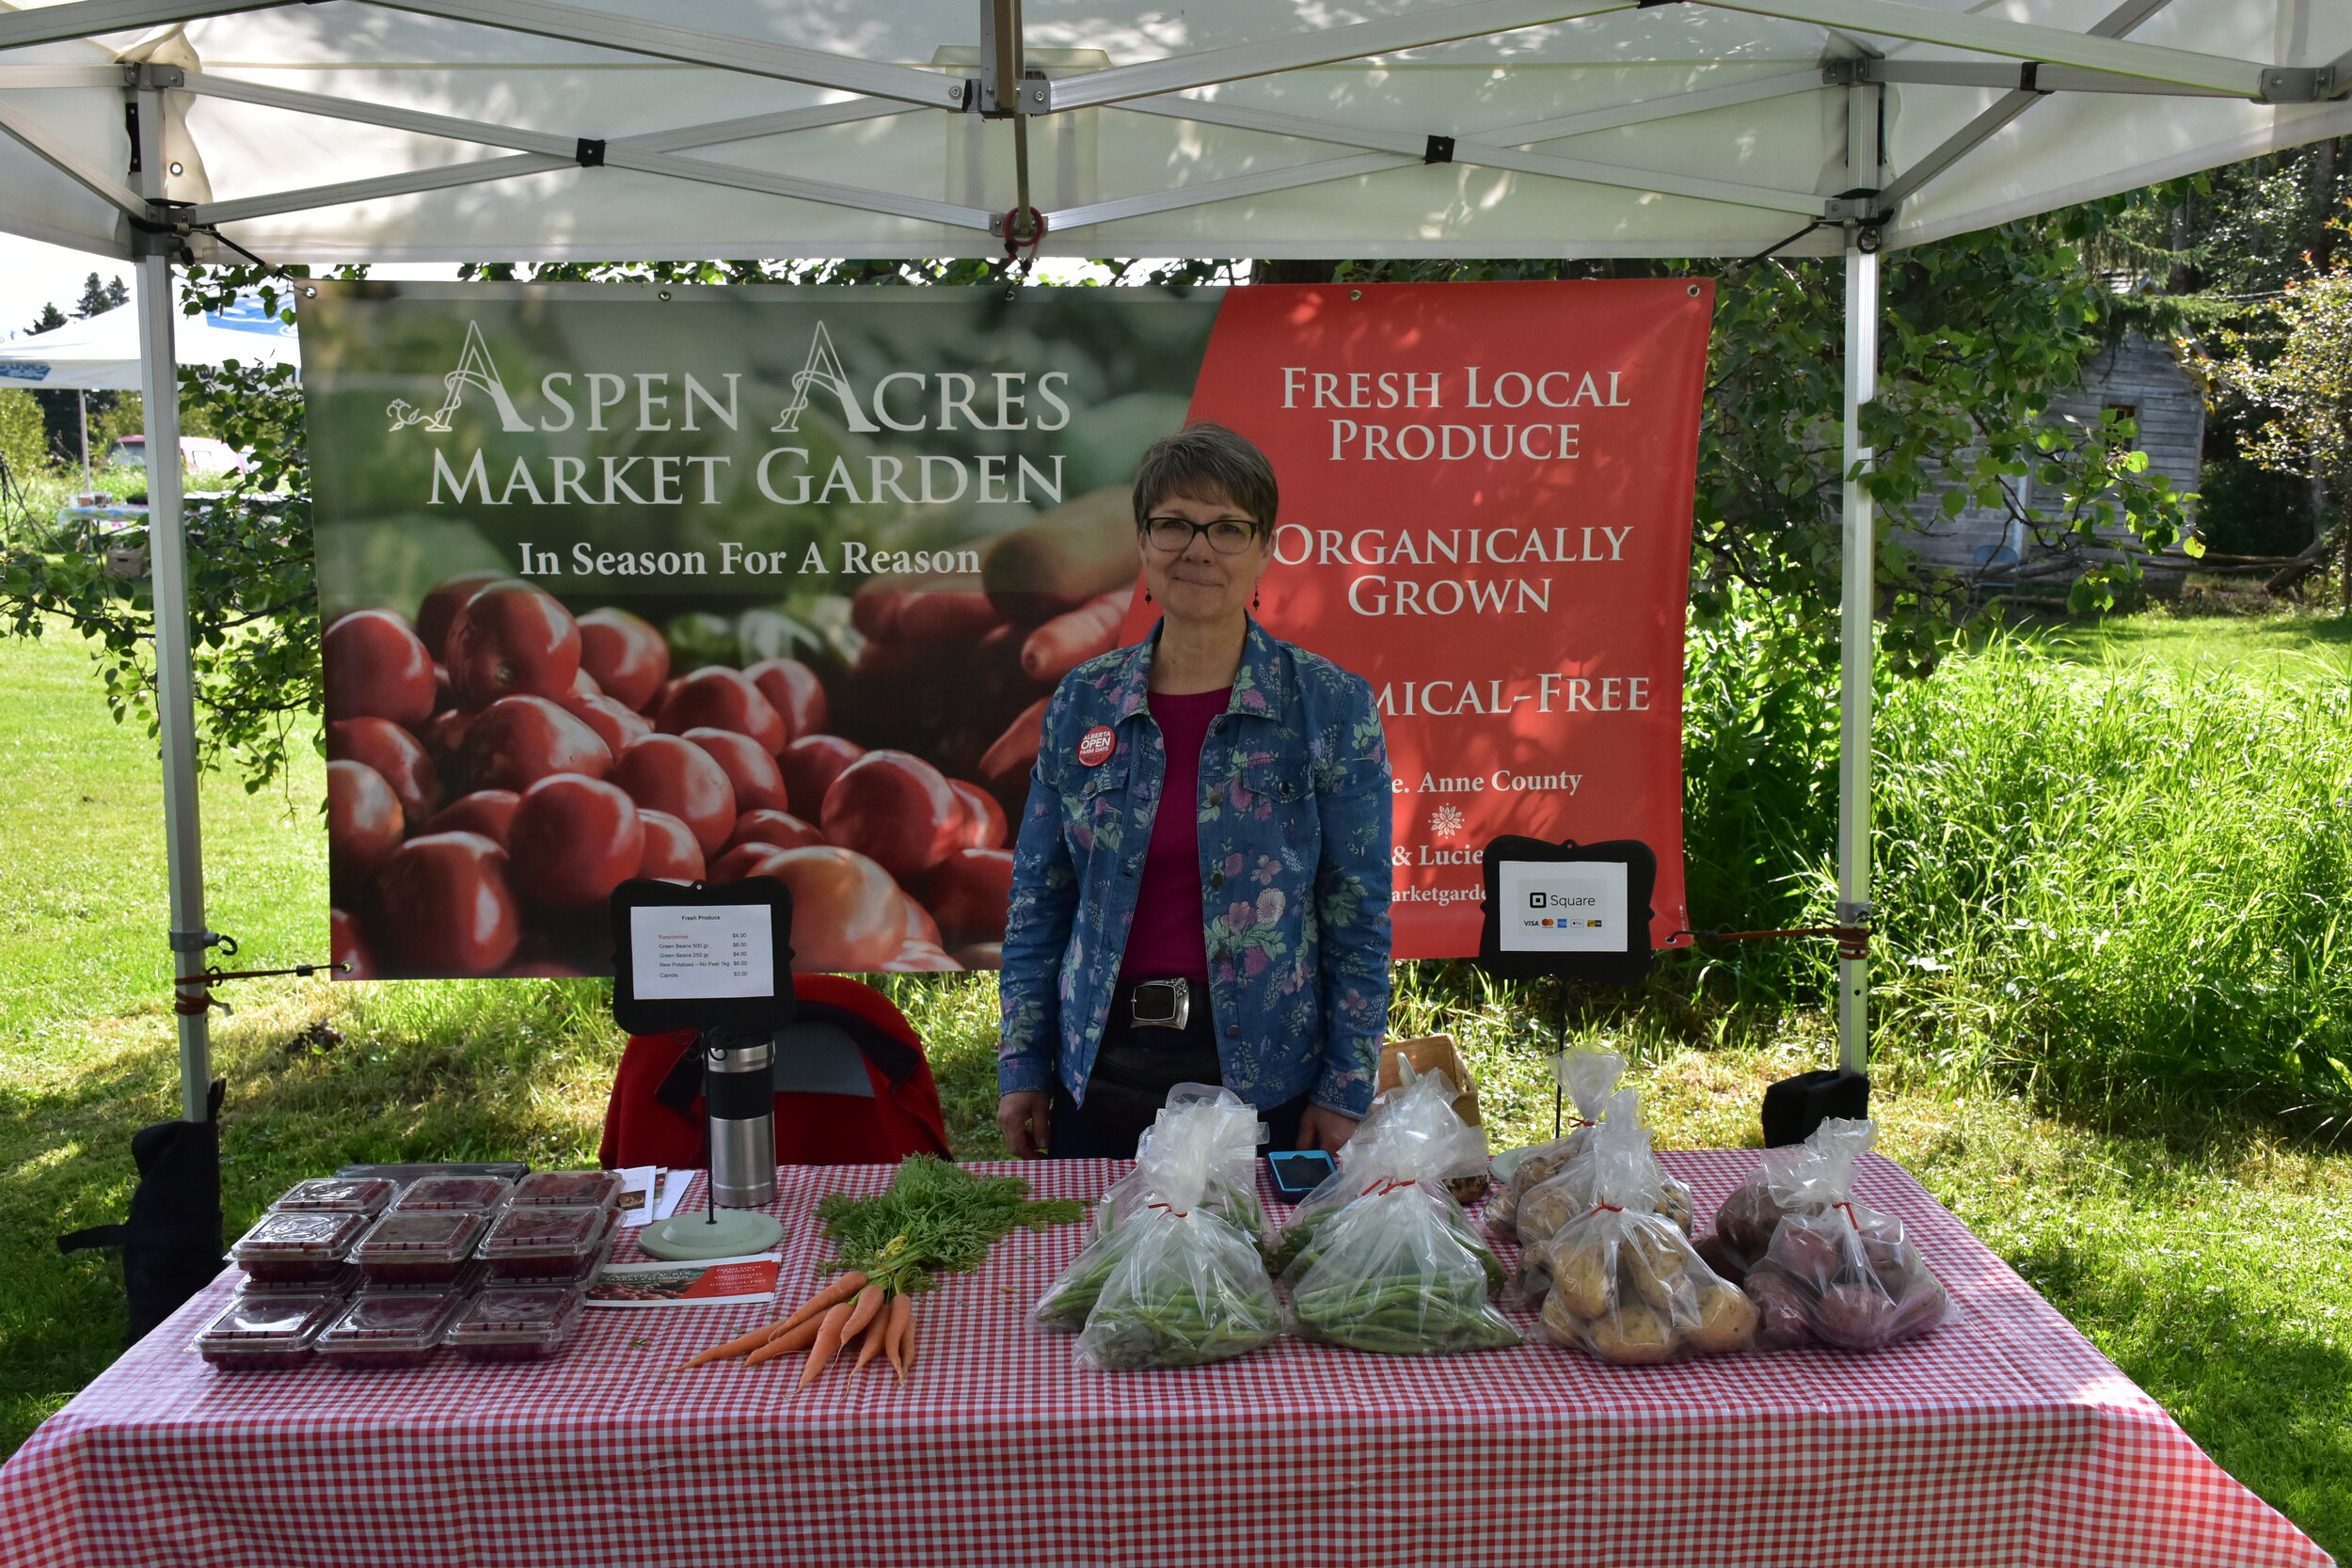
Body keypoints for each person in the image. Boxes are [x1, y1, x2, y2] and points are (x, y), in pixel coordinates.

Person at [995, 422, 1391, 1161]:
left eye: (1228, 528)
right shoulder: (1085, 700)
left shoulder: (1329, 706)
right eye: (1174, 523)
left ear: (1265, 548)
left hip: (1268, 1078)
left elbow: (1357, 911)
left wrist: (1345, 1086)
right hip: (1100, 1075)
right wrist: (1021, 1064)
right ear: (1143, 544)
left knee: (1250, 1276)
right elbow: (1037, 901)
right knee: (1102, 1273)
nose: (1198, 548)